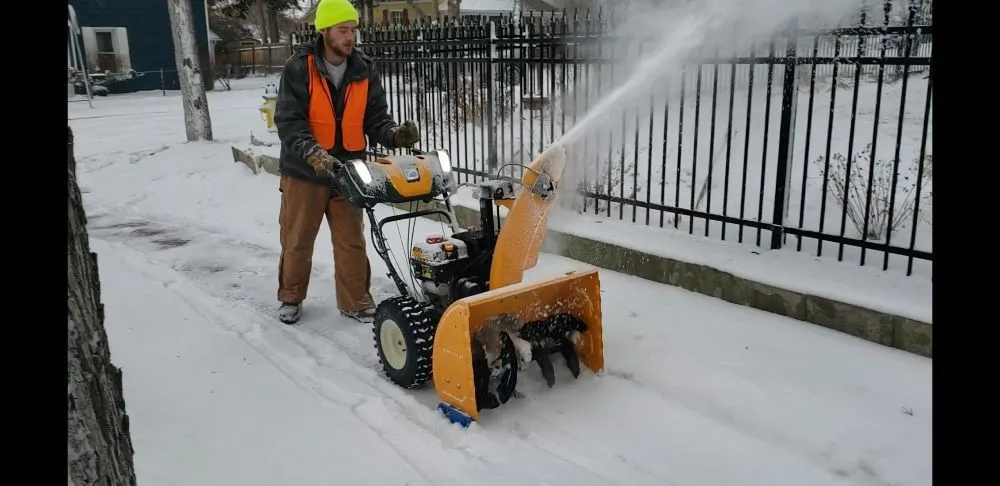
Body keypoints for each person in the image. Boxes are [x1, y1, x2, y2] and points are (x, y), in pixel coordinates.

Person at [272, 0, 420, 325]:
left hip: (348, 171)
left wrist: (396, 135)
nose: (350, 36)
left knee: (351, 240)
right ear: (325, 30)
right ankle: (291, 297)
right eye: (343, 30)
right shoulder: (300, 67)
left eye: (353, 29)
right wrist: (313, 153)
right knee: (298, 238)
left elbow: (375, 118)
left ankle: (355, 301)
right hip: (305, 171)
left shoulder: (362, 68)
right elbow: (288, 121)